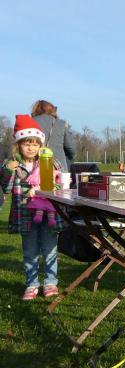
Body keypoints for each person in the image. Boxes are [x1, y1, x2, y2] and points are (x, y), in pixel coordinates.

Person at [2, 115, 65, 300]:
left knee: (50, 249)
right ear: (18, 145)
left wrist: (41, 187)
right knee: (30, 252)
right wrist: (8, 171)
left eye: (35, 144)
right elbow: (6, 188)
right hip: (25, 214)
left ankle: (50, 283)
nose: (31, 148)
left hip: (48, 214)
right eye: (26, 144)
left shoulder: (49, 161)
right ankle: (32, 284)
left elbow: (59, 185)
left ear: (41, 145)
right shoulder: (11, 164)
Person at [31, 100, 76, 172]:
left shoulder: (30, 122)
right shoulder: (61, 124)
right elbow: (72, 149)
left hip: (34, 169)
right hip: (58, 169)